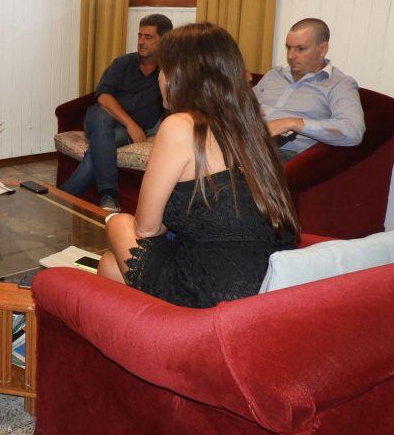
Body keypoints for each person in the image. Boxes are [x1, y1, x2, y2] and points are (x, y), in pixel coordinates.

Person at [98, 23, 298, 308]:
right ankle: (144, 338)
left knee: (119, 222)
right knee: (110, 266)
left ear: (180, 75)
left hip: (216, 291)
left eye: (162, 70)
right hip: (270, 281)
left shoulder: (180, 125)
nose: (160, 79)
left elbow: (145, 229)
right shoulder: (251, 125)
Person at [60, 14, 173, 212]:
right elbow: (103, 97)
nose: (141, 41)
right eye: (139, 35)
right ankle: (108, 194)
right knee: (101, 119)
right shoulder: (123, 63)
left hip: (124, 132)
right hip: (102, 117)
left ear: (164, 39)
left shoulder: (170, 72)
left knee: (101, 145)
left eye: (148, 37)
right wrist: (131, 124)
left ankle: (66, 197)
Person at [253, 18, 365, 162]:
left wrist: (290, 123)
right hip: (248, 140)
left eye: (300, 49)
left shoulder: (340, 84)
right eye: (288, 48)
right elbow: (244, 103)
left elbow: (353, 132)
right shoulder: (275, 74)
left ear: (322, 49)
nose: (291, 56)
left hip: (281, 152)